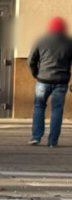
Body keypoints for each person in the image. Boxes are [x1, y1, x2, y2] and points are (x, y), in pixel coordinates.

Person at [28, 16, 72, 147]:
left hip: (43, 79)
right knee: (57, 109)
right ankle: (52, 141)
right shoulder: (69, 42)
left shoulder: (42, 40)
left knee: (39, 106)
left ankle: (36, 137)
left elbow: (31, 60)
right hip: (62, 80)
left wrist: (35, 74)